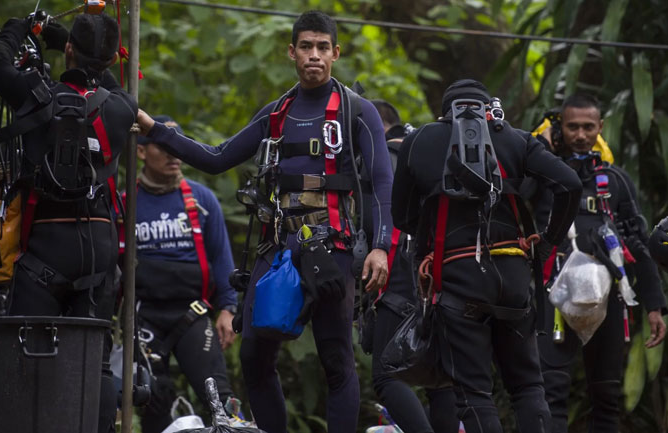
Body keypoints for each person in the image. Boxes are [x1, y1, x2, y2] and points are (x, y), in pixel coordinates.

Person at [137, 11, 393, 433]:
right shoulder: (276, 112)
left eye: (323, 47)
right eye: (306, 47)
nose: (314, 55)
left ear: (336, 53)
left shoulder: (356, 111)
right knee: (254, 356)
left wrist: (382, 245)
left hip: (333, 252)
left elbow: (384, 180)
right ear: (291, 52)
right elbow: (217, 158)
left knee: (336, 362)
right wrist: (154, 129)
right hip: (278, 253)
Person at [392, 79, 582, 433]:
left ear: (443, 114)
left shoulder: (418, 141)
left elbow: (401, 217)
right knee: (527, 385)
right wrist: (546, 242)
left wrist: (429, 234)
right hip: (512, 276)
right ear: (488, 108)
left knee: (474, 392)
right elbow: (569, 184)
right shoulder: (515, 138)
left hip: (458, 278)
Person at [0, 12, 136, 433]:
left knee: (27, 359)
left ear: (68, 50)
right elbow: (108, 85)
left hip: (47, 244)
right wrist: (67, 40)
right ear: (109, 59)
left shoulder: (35, 94)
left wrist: (17, 27)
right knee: (96, 363)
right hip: (98, 250)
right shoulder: (121, 107)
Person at [534, 93, 667, 433]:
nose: (580, 135)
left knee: (606, 393)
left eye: (588, 127)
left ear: (600, 128)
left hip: (607, 296)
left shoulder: (617, 181)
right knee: (551, 391)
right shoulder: (541, 176)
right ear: (559, 127)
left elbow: (637, 242)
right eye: (572, 127)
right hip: (553, 295)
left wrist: (654, 305)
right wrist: (542, 151)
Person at [133, 115, 242, 431]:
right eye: (163, 147)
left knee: (220, 400)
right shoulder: (125, 201)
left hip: (192, 314)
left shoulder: (202, 199)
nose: (174, 154)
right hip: (144, 317)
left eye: (176, 146)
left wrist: (229, 309)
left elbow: (222, 258)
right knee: (152, 402)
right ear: (141, 152)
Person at [366, 99, 457, 433]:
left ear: (375, 126)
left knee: (386, 376)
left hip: (400, 273)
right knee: (441, 379)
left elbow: (379, 220)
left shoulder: (382, 158)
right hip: (446, 270)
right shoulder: (431, 152)